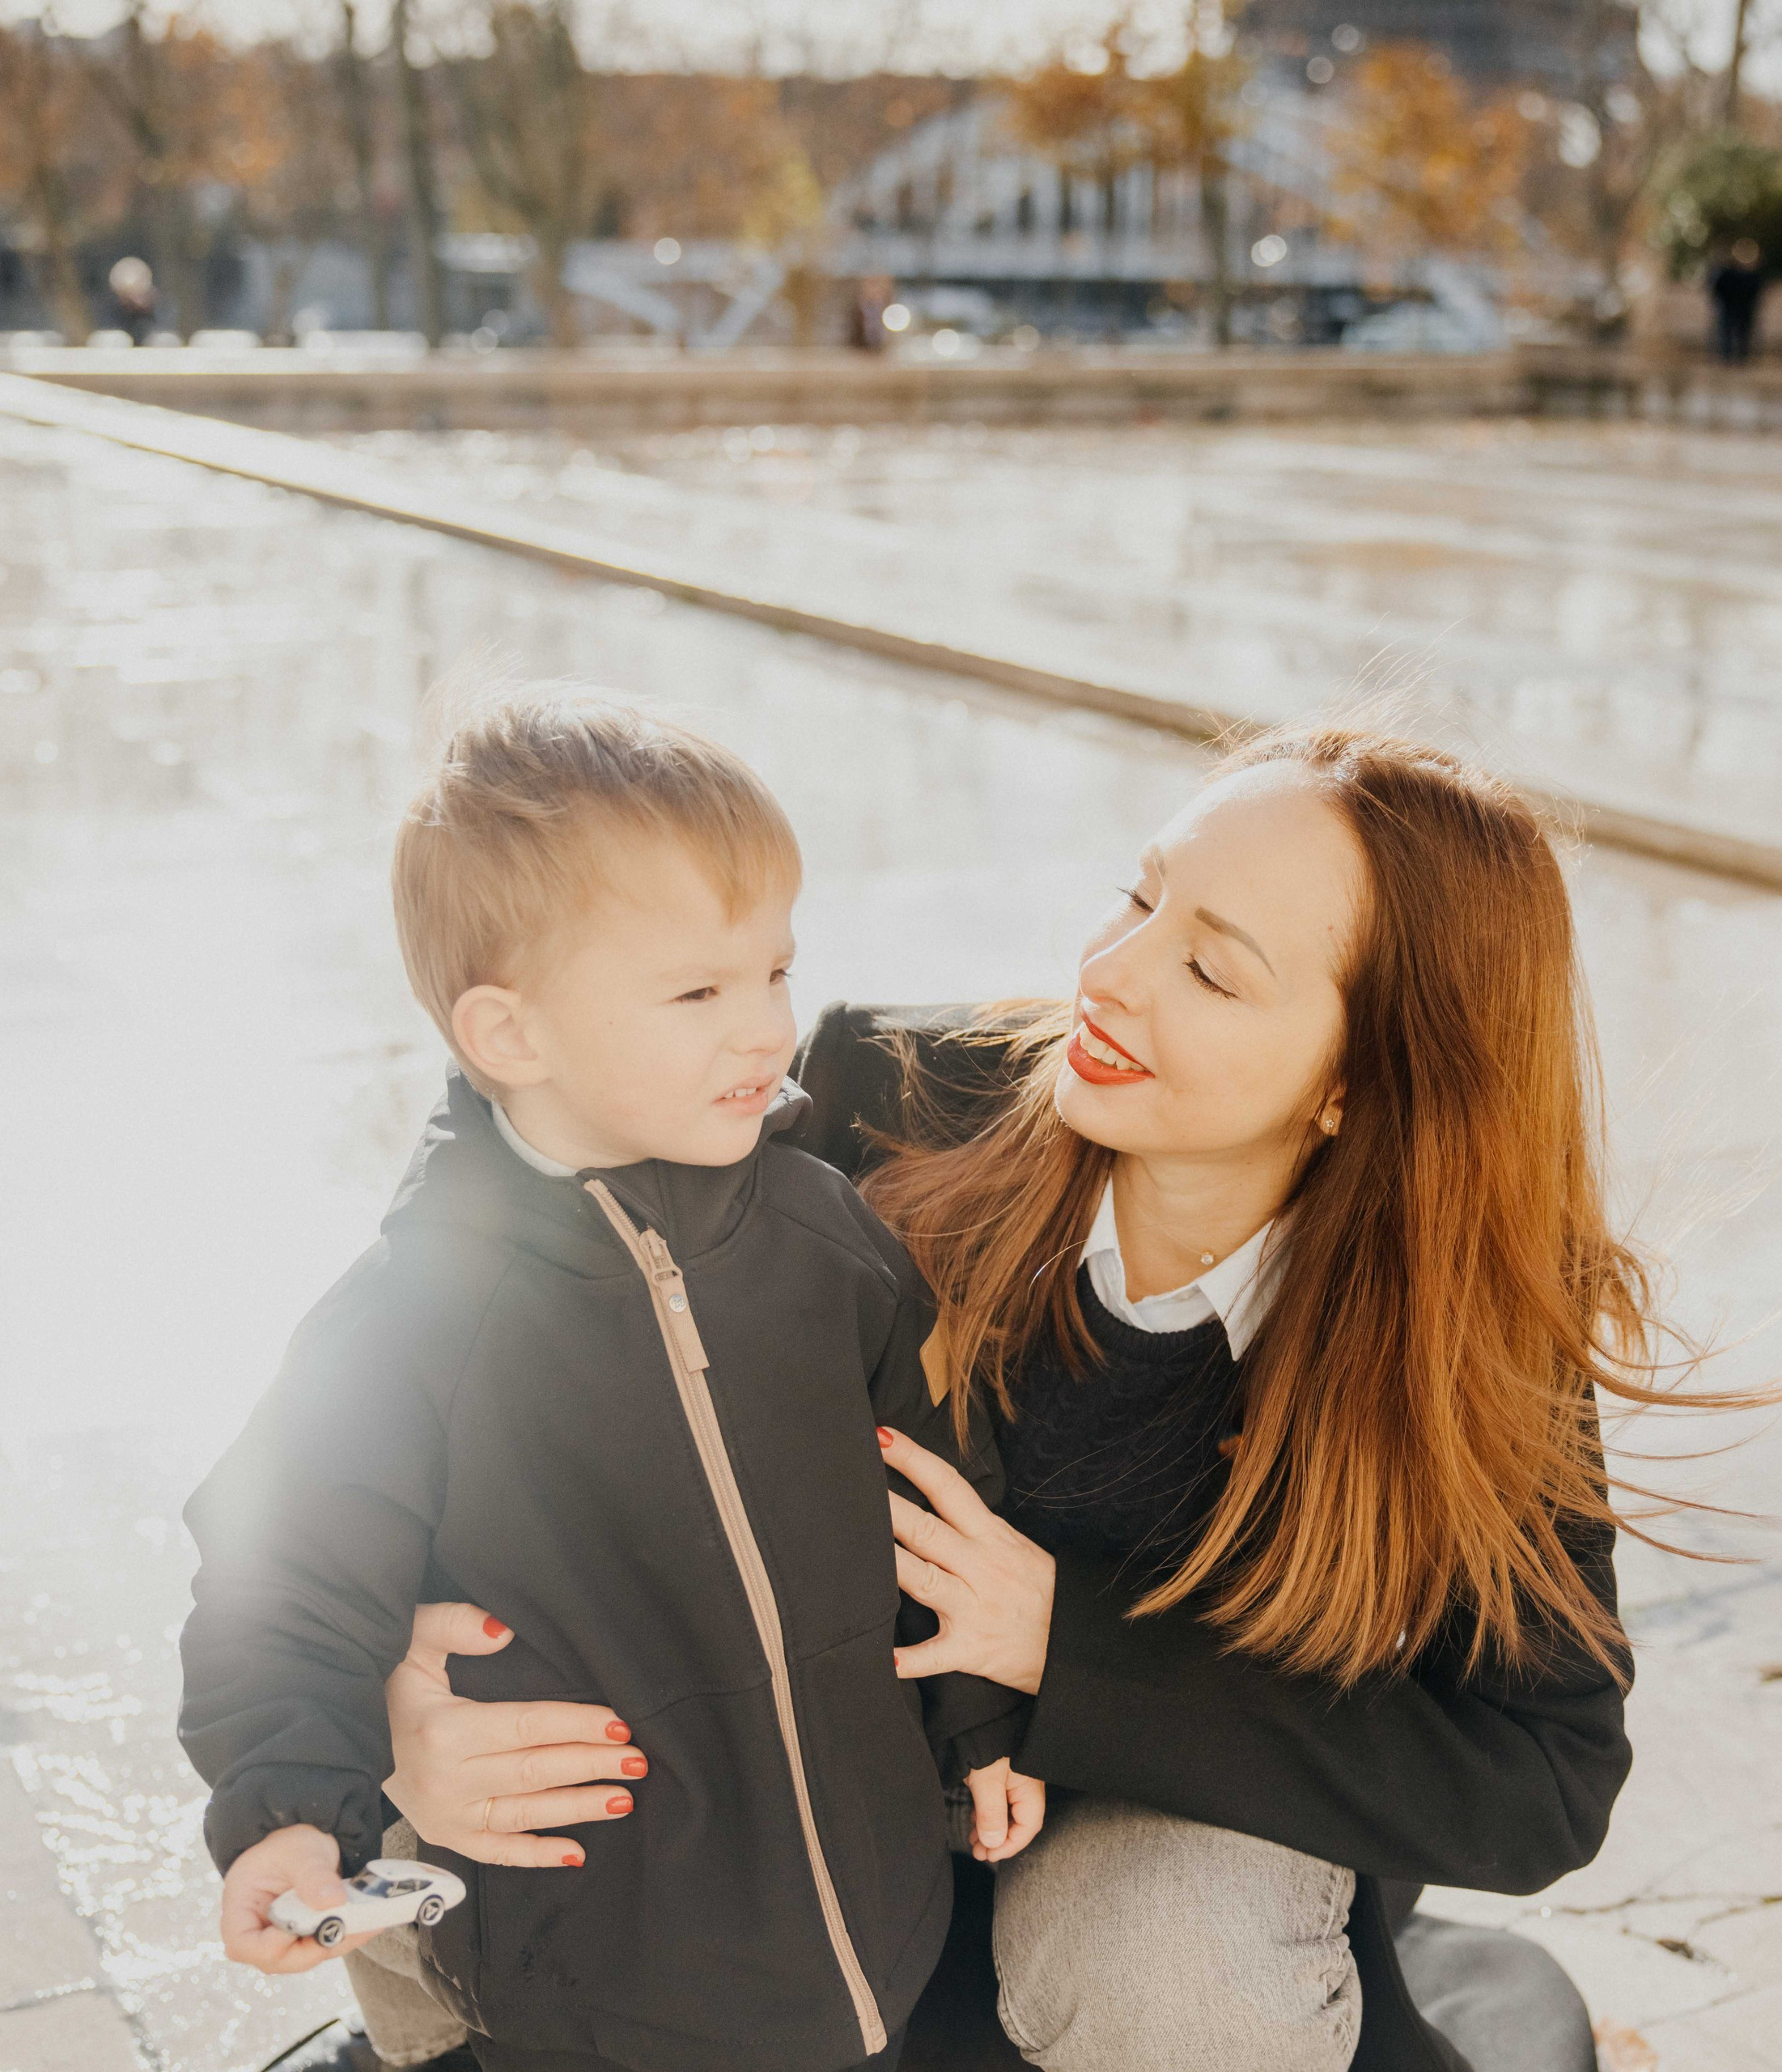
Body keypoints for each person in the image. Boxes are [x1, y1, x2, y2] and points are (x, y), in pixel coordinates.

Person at [348, 724, 1697, 2072]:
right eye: (1140, 895)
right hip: (817, 1819)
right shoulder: (888, 1089)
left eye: (1212, 970)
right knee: (423, 1786)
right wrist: (405, 1696)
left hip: (1155, 1870)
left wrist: (1066, 1648)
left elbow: (1545, 1781)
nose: (1109, 974)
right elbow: (520, 1192)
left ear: (1356, 1082)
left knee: (1162, 1950)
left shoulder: (1468, 1323)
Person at [177, 690, 1042, 2072]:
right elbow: (282, 1585)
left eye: (773, 970)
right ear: (512, 1036)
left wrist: (982, 1727)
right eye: (699, 991)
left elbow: (942, 1501)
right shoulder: (412, 1319)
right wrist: (289, 1810)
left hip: (883, 1911)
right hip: (601, 1975)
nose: (766, 1029)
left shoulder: (827, 1235)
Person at [1708, 239, 1766, 365]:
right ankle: (1732, 356)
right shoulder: (1741, 275)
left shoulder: (1744, 275)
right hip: (1735, 307)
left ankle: (1733, 356)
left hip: (1737, 307)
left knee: (1736, 333)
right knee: (1733, 332)